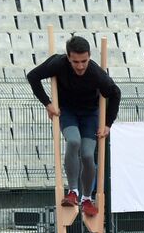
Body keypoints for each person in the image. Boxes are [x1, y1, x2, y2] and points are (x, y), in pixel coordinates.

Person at [27, 35, 121, 217]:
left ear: (89, 57)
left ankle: (87, 198)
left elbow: (115, 93)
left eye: (84, 61)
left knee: (87, 154)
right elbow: (33, 76)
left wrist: (108, 124)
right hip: (67, 111)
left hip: (90, 114)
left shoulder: (95, 73)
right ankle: (73, 192)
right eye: (75, 61)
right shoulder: (58, 63)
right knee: (73, 141)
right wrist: (48, 104)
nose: (80, 66)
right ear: (68, 57)